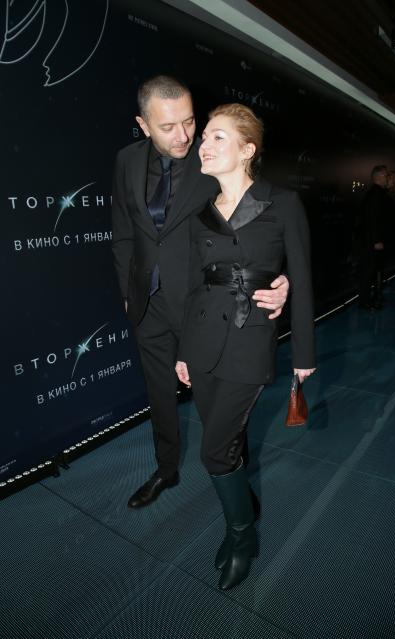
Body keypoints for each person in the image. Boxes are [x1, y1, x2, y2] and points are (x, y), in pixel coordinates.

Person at [112, 76, 289, 509]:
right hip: (148, 304)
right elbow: (123, 233)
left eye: (189, 122)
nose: (184, 136)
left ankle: (234, 476)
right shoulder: (126, 161)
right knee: (159, 396)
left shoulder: (212, 157)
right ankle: (165, 469)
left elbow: (260, 221)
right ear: (142, 124)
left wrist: (280, 279)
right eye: (167, 126)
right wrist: (128, 292)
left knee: (219, 408)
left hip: (206, 304)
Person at [175, 103, 316, 590]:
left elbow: (300, 276)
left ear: (247, 150)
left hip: (249, 341)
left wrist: (303, 356)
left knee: (214, 451)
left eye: (217, 137)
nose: (203, 145)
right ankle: (245, 506)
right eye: (204, 138)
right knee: (228, 442)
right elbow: (193, 287)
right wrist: (182, 351)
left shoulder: (283, 203)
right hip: (201, 344)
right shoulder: (201, 213)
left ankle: (242, 537)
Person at [357, 165, 389, 309]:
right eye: (386, 175)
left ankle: (367, 300)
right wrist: (376, 240)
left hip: (370, 241)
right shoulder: (376, 194)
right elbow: (372, 219)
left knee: (370, 271)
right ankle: (365, 302)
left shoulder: (375, 193)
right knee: (368, 272)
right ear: (380, 176)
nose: (387, 178)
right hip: (371, 242)